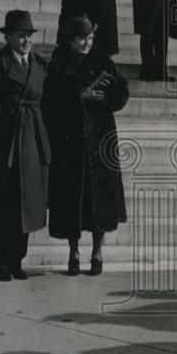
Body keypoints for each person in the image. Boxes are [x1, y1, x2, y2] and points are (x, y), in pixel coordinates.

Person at [44, 16, 130, 276]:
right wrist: (79, 96)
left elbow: (121, 92)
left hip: (100, 140)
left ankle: (97, 252)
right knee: (72, 200)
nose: (87, 43)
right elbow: (50, 100)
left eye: (90, 38)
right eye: (82, 39)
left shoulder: (103, 61)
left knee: (99, 200)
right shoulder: (58, 64)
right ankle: (73, 252)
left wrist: (106, 97)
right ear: (70, 40)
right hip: (70, 142)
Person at [0, 10, 51, 281]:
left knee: (28, 201)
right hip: (8, 138)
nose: (26, 41)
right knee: (6, 201)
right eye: (20, 35)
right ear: (8, 37)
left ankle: (16, 259)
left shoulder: (40, 64)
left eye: (29, 35)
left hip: (33, 138)